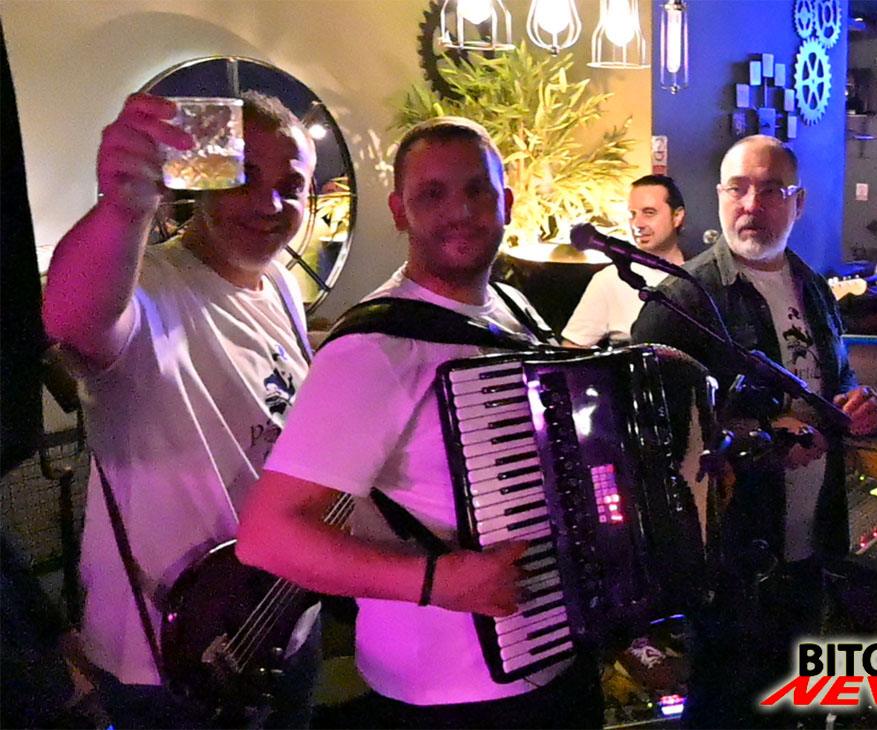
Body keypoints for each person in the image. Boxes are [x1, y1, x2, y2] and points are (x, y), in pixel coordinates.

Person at [235, 116, 603, 729]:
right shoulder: (374, 348)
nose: (459, 211)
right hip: (446, 695)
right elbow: (267, 537)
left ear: (507, 203)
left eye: (477, 190)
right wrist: (436, 581)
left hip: (556, 659)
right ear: (399, 212)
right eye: (432, 194)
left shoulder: (513, 309)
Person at [41, 91, 320, 728]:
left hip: (281, 627)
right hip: (169, 664)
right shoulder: (153, 285)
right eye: (245, 177)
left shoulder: (280, 283)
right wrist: (123, 207)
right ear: (205, 180)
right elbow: (75, 319)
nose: (270, 204)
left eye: (291, 187)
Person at [632, 135, 877, 728]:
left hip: (808, 544)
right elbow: (646, 430)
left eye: (771, 190)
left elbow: (835, 380)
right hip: (732, 561)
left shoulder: (813, 287)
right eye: (739, 188)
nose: (752, 204)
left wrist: (861, 404)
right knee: (727, 709)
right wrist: (760, 436)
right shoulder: (681, 300)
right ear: (720, 196)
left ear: (798, 202)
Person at [562, 175, 687, 347]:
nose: (637, 223)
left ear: (677, 216)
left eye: (649, 213)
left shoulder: (702, 274)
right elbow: (574, 348)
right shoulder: (609, 279)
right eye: (632, 214)